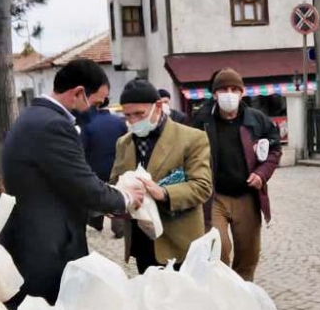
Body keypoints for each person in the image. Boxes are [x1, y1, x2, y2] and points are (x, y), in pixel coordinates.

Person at [0, 59, 145, 305]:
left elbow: (58, 183)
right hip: (46, 250)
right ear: (79, 93)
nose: (96, 110)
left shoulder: (33, 116)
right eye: (96, 103)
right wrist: (125, 197)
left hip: (31, 243)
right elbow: (82, 185)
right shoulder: (53, 125)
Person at [110, 79, 213, 273]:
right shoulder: (123, 143)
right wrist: (117, 198)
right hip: (142, 241)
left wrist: (164, 193)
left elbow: (202, 186)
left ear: (158, 107)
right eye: (128, 115)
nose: (133, 121)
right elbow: (114, 180)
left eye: (139, 114)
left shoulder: (192, 138)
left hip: (179, 242)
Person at [191, 68, 282, 281]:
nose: (229, 94)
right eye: (223, 90)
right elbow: (189, 152)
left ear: (242, 93)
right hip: (215, 197)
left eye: (234, 89)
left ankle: (243, 294)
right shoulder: (202, 120)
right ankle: (221, 289)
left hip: (247, 195)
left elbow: (275, 149)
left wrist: (262, 173)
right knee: (218, 247)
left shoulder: (257, 120)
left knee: (248, 253)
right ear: (214, 94)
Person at [79, 97, 128, 237]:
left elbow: (83, 147)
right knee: (117, 194)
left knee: (97, 195)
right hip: (116, 165)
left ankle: (96, 221)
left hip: (95, 166)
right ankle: (119, 227)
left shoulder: (89, 124)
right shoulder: (119, 122)